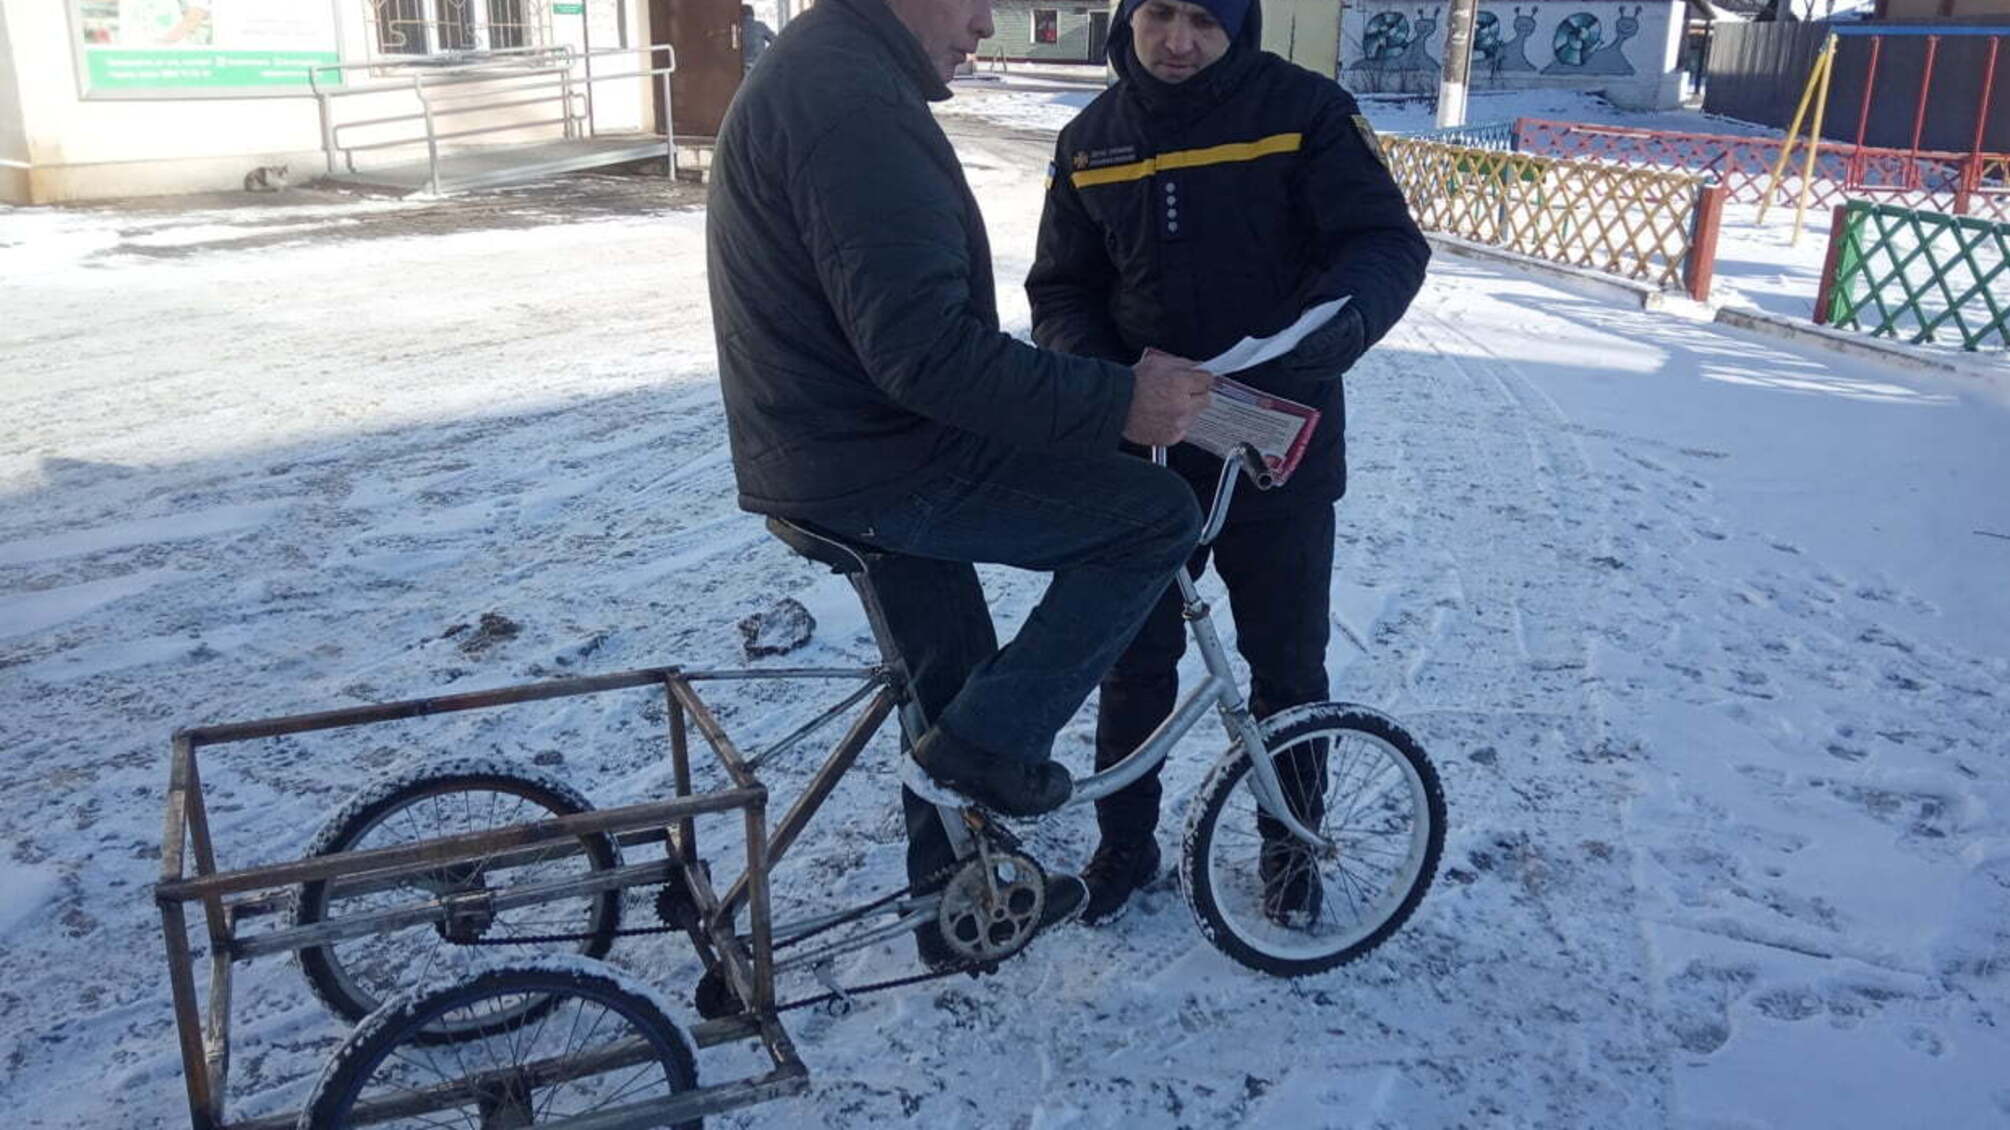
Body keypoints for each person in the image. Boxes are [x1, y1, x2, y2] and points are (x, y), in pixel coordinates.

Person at [705, 0, 1217, 965]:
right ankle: (987, 756)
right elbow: (927, 355)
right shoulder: (853, 101)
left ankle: (959, 896)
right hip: (869, 458)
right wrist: (1119, 402)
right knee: (1153, 516)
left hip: (830, 445)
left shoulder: (832, 69)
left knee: (954, 663)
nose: (986, 24)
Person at [1027, 0, 1429, 926]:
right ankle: (1125, 845)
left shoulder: (1305, 112)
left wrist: (1343, 325)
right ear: (1129, 15)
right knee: (1134, 661)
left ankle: (1291, 847)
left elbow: (1383, 242)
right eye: (1160, 14)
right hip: (1145, 452)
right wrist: (1107, 378)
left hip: (1275, 446)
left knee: (1287, 664)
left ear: (1239, 25)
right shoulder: (1089, 140)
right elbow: (1062, 289)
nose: (1178, 41)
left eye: (1204, 21)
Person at [739, 5, 775, 73]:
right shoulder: (761, 26)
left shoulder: (738, 28)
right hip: (760, 64)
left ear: (741, 15)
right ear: (753, 14)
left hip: (744, 66)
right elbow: (775, 41)